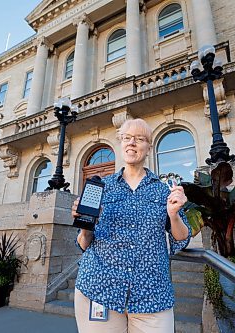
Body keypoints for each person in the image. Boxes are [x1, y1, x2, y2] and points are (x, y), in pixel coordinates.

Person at [72, 118, 191, 333]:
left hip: (152, 294)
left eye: (139, 139)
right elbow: (83, 243)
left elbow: (181, 239)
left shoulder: (164, 190)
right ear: (121, 143)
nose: (132, 143)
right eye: (127, 138)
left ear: (148, 146)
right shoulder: (102, 187)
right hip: (99, 287)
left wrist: (174, 215)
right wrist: (85, 224)